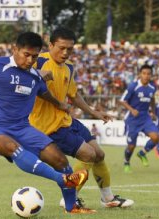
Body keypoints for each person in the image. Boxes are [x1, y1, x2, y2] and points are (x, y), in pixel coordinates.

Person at [0, 32, 94, 214]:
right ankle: (63, 179)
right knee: (10, 146)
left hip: (23, 129)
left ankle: (72, 206)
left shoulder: (34, 77)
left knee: (59, 159)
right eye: (26, 54)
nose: (30, 60)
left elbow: (44, 93)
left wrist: (60, 104)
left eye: (35, 56)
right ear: (14, 49)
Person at [29, 27, 134, 209]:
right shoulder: (38, 62)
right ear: (51, 44)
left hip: (67, 121)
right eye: (61, 48)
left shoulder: (69, 68)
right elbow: (19, 77)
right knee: (88, 154)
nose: (65, 52)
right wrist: (36, 75)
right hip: (49, 128)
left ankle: (108, 199)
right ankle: (70, 197)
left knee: (99, 154)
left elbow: (74, 95)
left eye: (69, 49)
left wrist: (93, 112)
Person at [120, 64, 159, 173]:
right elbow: (122, 100)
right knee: (131, 146)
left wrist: (153, 111)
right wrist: (132, 109)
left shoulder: (152, 87)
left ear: (151, 75)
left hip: (145, 117)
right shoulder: (133, 86)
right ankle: (127, 162)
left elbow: (152, 99)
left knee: (156, 137)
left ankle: (142, 153)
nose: (146, 76)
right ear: (140, 74)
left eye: (148, 74)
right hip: (132, 119)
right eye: (144, 73)